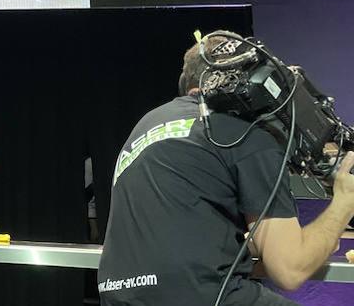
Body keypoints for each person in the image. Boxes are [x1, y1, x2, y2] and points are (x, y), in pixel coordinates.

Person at [99, 31, 354, 305]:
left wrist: (315, 241)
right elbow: (289, 272)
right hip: (197, 295)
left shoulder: (147, 123)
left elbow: (182, 250)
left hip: (118, 295)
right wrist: (343, 204)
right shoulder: (245, 133)